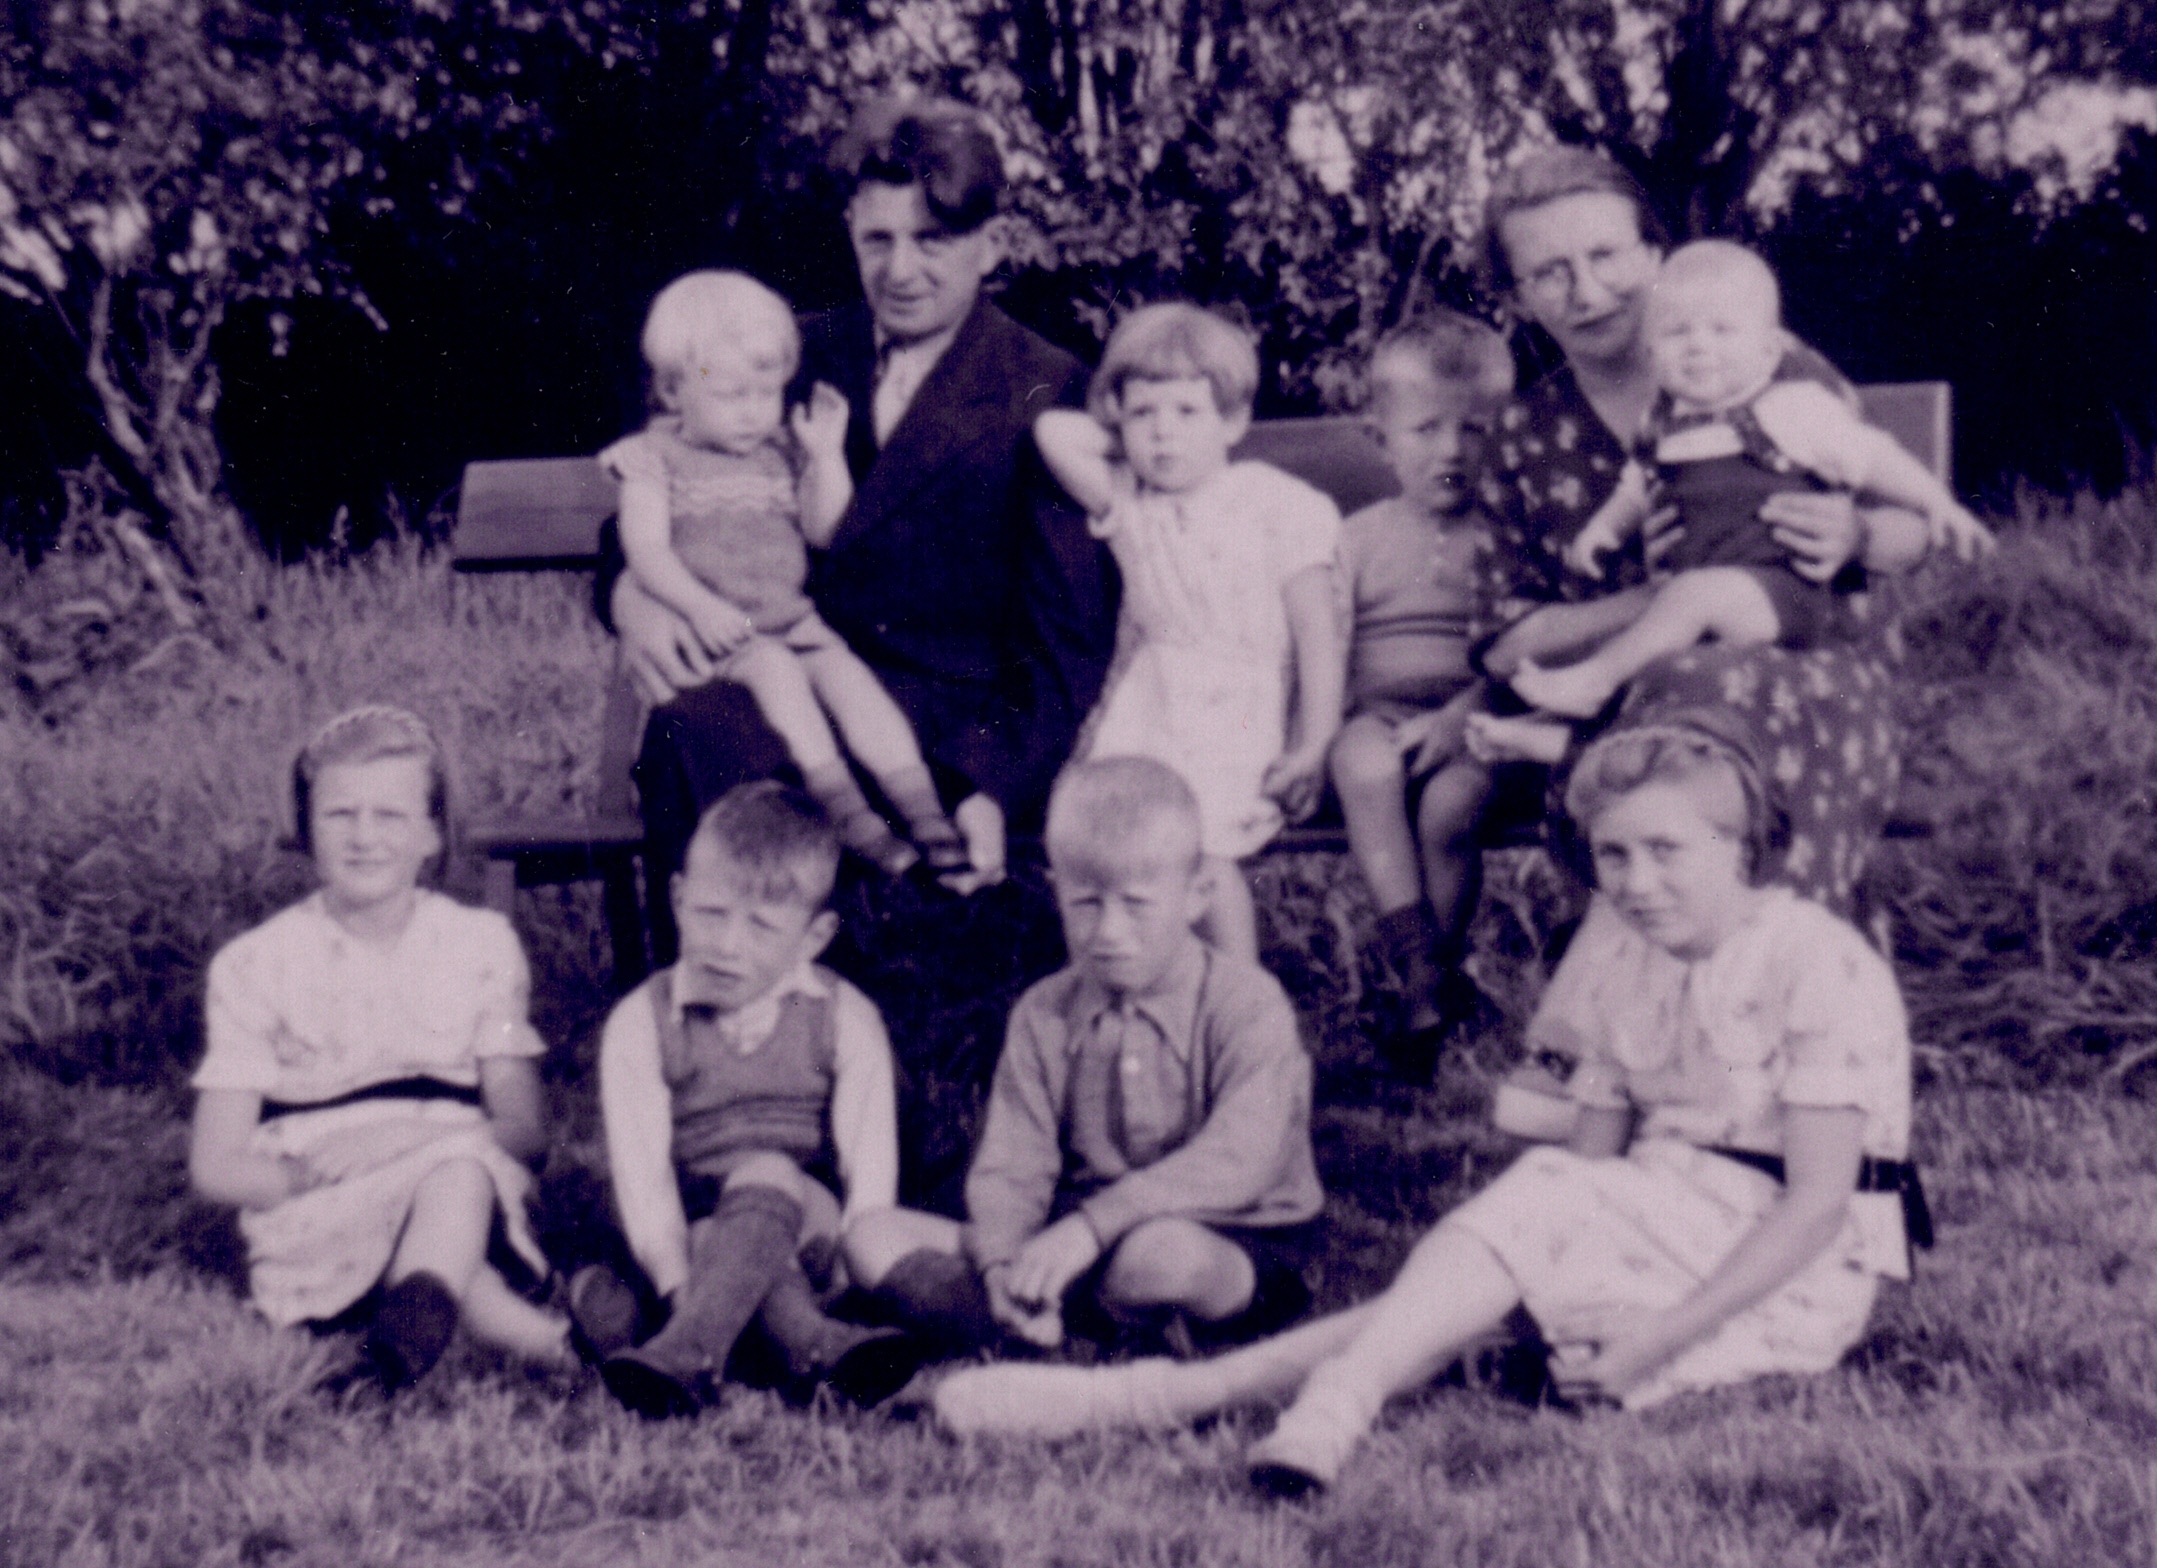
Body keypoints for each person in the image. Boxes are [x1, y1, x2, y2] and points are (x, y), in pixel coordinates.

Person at [931, 721, 1928, 1502]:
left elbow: (1817, 1208)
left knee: (1518, 1241)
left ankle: (1269, 1398)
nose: (1636, 882)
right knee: (1467, 1293)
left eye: (1666, 850)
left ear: (1740, 844)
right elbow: (1597, 1164)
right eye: (1613, 855)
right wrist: (1523, 1265)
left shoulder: (1813, 958)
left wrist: (1659, 1337)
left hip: (1790, 1262)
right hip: (1653, 1220)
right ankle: (1176, 1396)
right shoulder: (1629, 955)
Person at [612, 97, 1116, 931]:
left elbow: (1066, 644)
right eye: (878, 239)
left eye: (932, 240)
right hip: (787, 670)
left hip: (951, 712)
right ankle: (722, 989)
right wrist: (632, 597)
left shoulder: (1044, 386)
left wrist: (990, 781)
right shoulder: (786, 354)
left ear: (992, 242)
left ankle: (840, 977)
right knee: (695, 726)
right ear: (850, 230)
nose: (900, 270)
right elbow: (660, 484)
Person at [1454, 145, 1945, 923]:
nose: (1588, 292)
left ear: (1653, 255)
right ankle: (1755, 966)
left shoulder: (1764, 365)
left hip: (1812, 679)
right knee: (1673, 713)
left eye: (1605, 255)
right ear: (1517, 298)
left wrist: (1854, 536)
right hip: (1628, 709)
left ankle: (1707, 969)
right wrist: (1662, 601)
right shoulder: (1523, 436)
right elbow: (1503, 644)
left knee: (1696, 710)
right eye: (1549, 272)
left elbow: (1912, 534)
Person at [843, 757, 1325, 1360]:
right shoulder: (1043, 1012)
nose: (1108, 933)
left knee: (1159, 1259)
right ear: (1057, 891)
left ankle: (1026, 1324)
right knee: (871, 1236)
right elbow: (1013, 1165)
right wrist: (1001, 1260)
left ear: (1197, 895)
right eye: (1086, 904)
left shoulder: (1247, 1002)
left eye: (1137, 904)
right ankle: (1029, 1312)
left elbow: (1240, 1158)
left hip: (1227, 1229)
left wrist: (1090, 1229)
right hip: (1068, 1236)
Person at [188, 706, 573, 1391]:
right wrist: (309, 1177)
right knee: (458, 1231)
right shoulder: (255, 964)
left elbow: (525, 1132)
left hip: (464, 1176)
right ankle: (554, 1345)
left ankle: (396, 1354)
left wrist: (405, 1141)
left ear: (432, 833)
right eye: (340, 815)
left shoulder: (482, 945)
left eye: (390, 816)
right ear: (307, 827)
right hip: (326, 1208)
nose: (364, 837)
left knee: (456, 1181)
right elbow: (215, 1166)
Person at [1511, 240, 1992, 720]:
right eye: (1677, 332)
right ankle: (1556, 734)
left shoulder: (1791, 406)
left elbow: (1874, 457)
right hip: (1702, 599)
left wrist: (1936, 502)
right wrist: (1603, 529)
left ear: (1767, 351)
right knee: (1660, 644)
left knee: (1686, 602)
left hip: (1782, 591)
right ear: (1653, 352)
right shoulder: (1661, 423)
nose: (1698, 345)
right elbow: (1635, 490)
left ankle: (1593, 683)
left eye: (1721, 329)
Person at [567, 782, 928, 1418]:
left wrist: (847, 1276)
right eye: (711, 914)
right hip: (693, 1237)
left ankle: (689, 1349)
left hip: (811, 1229)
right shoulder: (641, 1021)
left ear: (815, 937)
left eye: (761, 926)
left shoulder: (843, 1017)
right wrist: (682, 1285)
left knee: (769, 1171)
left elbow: (869, 1173)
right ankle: (812, 1346)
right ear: (678, 899)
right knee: (710, 1236)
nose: (728, 945)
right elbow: (644, 1181)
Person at [604, 269, 966, 878]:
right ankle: (849, 816)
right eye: (731, 396)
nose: (752, 414)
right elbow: (647, 552)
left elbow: (825, 531)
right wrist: (699, 608)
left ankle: (925, 813)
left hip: (795, 621)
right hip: (725, 633)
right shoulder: (653, 458)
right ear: (671, 391)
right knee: (779, 675)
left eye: (765, 393)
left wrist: (824, 456)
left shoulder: (779, 451)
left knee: (852, 683)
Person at [1034, 303, 1348, 960]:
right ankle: (1115, 991)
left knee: (1200, 851)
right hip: (1149, 705)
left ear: (1232, 422)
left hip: (1235, 710)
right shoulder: (1130, 501)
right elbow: (1054, 431)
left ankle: (1241, 993)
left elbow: (1318, 639)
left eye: (1186, 412)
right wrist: (1129, 437)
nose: (1163, 434)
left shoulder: (1276, 503)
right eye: (1143, 414)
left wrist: (1313, 743)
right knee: (1104, 843)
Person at [1326, 310, 1514, 1068]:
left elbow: (1523, 643)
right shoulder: (1354, 538)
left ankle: (1426, 982)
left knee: (1449, 805)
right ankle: (1419, 966)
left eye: (1475, 429)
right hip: (1377, 714)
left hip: (1482, 717)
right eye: (1425, 429)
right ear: (1381, 439)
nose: (1451, 450)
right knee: (1361, 762)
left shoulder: (1509, 534)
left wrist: (1466, 711)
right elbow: (1326, 643)